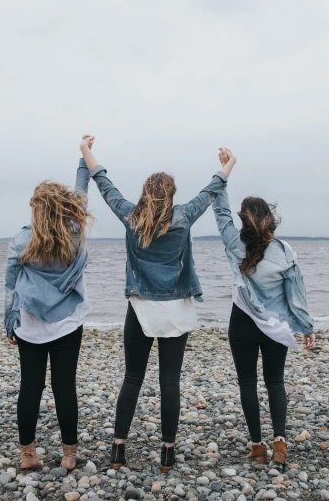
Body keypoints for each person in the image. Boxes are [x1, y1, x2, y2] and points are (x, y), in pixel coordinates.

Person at [79, 136, 234, 472]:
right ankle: (167, 453)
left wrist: (86, 150)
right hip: (176, 308)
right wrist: (227, 163)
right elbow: (211, 190)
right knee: (169, 380)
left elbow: (106, 186)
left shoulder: (131, 217)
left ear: (145, 193)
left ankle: (119, 448)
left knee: (132, 377)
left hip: (140, 309)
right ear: (172, 195)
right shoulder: (184, 216)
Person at [211, 147, 316, 466]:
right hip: (275, 326)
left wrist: (227, 170)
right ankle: (280, 443)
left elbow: (219, 209)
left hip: (241, 324)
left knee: (247, 383)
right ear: (269, 219)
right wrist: (306, 326)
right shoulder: (284, 251)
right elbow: (295, 294)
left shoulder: (234, 244)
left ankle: (257, 445)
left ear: (244, 221)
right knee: (275, 382)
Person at [3, 135, 95, 473]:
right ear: (63, 207)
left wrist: (9, 320)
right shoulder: (73, 230)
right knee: (64, 386)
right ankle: (69, 455)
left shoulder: (23, 238)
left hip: (30, 323)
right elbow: (82, 192)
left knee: (30, 386)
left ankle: (28, 455)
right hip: (68, 320)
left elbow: (10, 284)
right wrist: (83, 157)